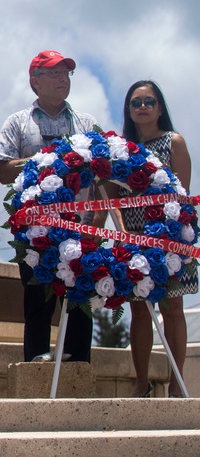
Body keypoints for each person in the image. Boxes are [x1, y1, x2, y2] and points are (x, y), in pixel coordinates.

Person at [0, 50, 97, 365]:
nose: (61, 80)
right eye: (53, 73)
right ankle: (34, 377)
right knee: (37, 302)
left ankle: (79, 372)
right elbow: (2, 170)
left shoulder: (87, 122)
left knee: (80, 302)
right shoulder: (17, 123)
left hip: (78, 227)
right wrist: (46, 158)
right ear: (34, 81)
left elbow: (102, 173)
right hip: (34, 230)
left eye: (65, 73)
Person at [118, 80, 194, 398]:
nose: (143, 108)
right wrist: (122, 234)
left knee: (173, 308)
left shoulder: (174, 142)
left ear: (160, 107)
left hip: (170, 237)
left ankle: (177, 384)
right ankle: (141, 383)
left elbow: (183, 195)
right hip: (133, 239)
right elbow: (111, 198)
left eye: (149, 102)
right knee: (138, 310)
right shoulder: (119, 150)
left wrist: (169, 236)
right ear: (129, 110)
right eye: (136, 103)